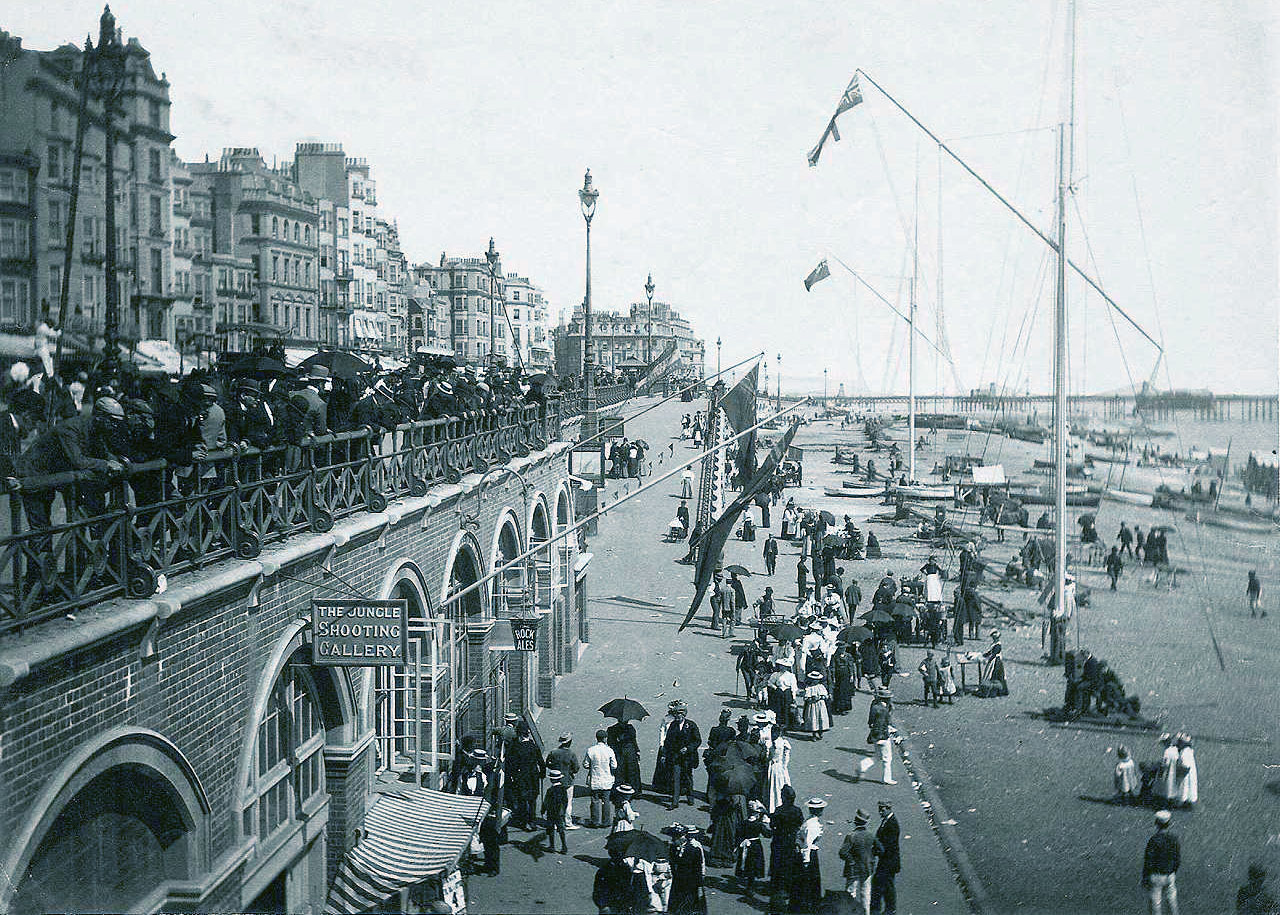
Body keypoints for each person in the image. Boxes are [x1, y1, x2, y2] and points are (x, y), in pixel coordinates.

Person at [655, 700, 701, 810]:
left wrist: (688, 748)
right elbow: (668, 741)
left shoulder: (691, 725)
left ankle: (690, 796)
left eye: (680, 714)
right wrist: (664, 754)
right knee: (675, 778)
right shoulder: (673, 725)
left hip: (687, 758)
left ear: (684, 715)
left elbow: (697, 740)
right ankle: (675, 802)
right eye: (676, 714)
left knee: (688, 777)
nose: (678, 717)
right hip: (675, 757)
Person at [1142, 810, 1181, 915]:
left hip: (1156, 876)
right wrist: (1173, 871)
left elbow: (1148, 861)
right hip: (1170, 875)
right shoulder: (1174, 839)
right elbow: (1177, 859)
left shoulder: (1154, 840)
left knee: (1155, 905)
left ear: (1156, 824)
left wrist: (1145, 877)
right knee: (1172, 903)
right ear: (1169, 824)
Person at [507, 722, 544, 831]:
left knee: (522, 800)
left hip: (521, 777)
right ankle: (532, 821)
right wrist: (542, 773)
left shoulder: (515, 747)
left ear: (519, 734)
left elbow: (511, 763)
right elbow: (541, 762)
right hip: (533, 777)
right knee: (532, 800)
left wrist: (511, 775)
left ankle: (524, 821)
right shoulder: (533, 746)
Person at [839, 808, 877, 915]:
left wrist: (851, 860)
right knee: (866, 894)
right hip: (867, 868)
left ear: (856, 821)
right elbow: (880, 849)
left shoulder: (851, 836)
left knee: (850, 894)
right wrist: (871, 856)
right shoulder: (871, 835)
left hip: (853, 870)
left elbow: (842, 852)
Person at [735, 799, 771, 901]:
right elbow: (767, 834)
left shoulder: (743, 823)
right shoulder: (759, 824)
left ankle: (747, 885)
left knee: (746, 863)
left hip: (745, 845)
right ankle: (751, 886)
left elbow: (738, 834)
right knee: (754, 865)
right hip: (755, 846)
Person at [668, 825, 708, 915]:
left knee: (688, 907)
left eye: (675, 838)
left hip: (690, 883)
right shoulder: (673, 848)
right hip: (677, 882)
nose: (673, 841)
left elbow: (698, 869)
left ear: (683, 837)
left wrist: (700, 886)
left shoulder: (694, 850)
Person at [546, 733, 582, 829]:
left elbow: (548, 763)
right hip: (568, 780)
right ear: (569, 742)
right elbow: (576, 768)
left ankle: (555, 822)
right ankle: (568, 822)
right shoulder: (571, 754)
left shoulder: (553, 752)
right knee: (568, 802)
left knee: (556, 802)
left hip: (556, 779)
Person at [583, 729, 618, 828]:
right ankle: (606, 821)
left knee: (594, 800)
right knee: (606, 801)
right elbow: (614, 765)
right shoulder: (609, 750)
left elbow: (585, 764)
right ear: (605, 739)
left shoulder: (591, 750)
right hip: (606, 780)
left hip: (595, 780)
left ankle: (595, 821)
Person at [871, 800, 900, 915]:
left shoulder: (892, 825)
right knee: (882, 883)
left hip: (888, 861)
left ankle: (889, 909)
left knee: (886, 885)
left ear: (888, 809)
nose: (880, 812)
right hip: (887, 861)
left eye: (882, 810)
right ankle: (883, 908)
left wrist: (876, 850)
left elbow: (888, 845)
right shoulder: (887, 821)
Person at [594, 847, 643, 915]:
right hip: (615, 906)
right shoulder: (607, 871)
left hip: (623, 906)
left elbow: (598, 891)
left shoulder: (604, 870)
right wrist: (603, 906)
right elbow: (599, 891)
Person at [863, 688, 896, 785]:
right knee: (887, 759)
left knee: (877, 756)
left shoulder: (875, 706)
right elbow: (883, 723)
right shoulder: (884, 709)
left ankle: (862, 766)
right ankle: (887, 778)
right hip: (882, 736)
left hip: (875, 735)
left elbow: (871, 722)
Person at [606, 719, 643, 801]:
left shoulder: (614, 728)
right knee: (625, 772)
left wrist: (637, 750)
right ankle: (631, 791)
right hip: (623, 752)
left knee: (627, 772)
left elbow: (633, 740)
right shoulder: (614, 729)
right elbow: (611, 742)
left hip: (627, 753)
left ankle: (632, 791)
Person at [542, 768, 569, 854]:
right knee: (561, 829)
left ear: (551, 780)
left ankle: (552, 846)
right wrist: (564, 810)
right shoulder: (563, 789)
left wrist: (543, 810)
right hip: (560, 812)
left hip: (551, 812)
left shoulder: (550, 790)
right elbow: (565, 801)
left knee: (551, 829)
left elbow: (546, 801)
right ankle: (564, 846)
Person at [766, 727, 793, 813]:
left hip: (775, 766)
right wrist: (784, 765)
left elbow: (768, 756)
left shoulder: (773, 743)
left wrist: (784, 765)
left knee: (775, 784)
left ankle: (775, 804)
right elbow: (786, 755)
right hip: (778, 766)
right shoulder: (781, 742)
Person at [801, 671, 831, 740]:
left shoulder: (821, 687)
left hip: (820, 705)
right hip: (812, 706)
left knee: (821, 718)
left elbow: (826, 696)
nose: (815, 681)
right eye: (814, 679)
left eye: (817, 680)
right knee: (813, 718)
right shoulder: (809, 688)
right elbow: (805, 697)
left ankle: (820, 733)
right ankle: (814, 734)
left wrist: (821, 697)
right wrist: (811, 698)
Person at [979, 630, 1009, 697]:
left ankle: (998, 691)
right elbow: (991, 652)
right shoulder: (995, 644)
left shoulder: (998, 645)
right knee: (994, 675)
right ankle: (993, 691)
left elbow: (994, 654)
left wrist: (988, 660)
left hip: (997, 662)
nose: (993, 638)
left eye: (994, 637)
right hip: (994, 660)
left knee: (995, 675)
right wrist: (985, 655)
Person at [1156, 734, 1180, 808]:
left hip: (1168, 771)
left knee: (1166, 785)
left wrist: (1161, 768)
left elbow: (1165, 764)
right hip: (1174, 770)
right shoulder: (1175, 749)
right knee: (1172, 784)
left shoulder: (1166, 752)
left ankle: (1165, 802)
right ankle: (1171, 799)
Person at [1175, 734, 1198, 809]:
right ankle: (1188, 801)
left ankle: (1183, 801)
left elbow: (1185, 765)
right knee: (1190, 787)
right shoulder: (1189, 750)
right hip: (1190, 772)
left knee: (1184, 787)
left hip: (1185, 773)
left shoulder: (1184, 752)